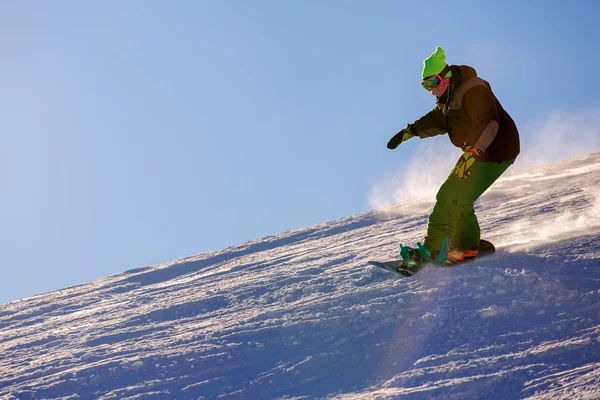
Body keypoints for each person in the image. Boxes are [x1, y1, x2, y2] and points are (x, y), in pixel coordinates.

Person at [387, 46, 520, 263]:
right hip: (478, 152)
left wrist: (472, 152)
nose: (431, 90)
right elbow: (438, 119)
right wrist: (410, 131)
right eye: (426, 85)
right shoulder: (448, 97)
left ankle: (432, 250)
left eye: (433, 83)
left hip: (494, 151)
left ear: (446, 75)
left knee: (449, 196)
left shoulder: (473, 89)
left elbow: (488, 122)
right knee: (460, 199)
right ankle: (466, 247)